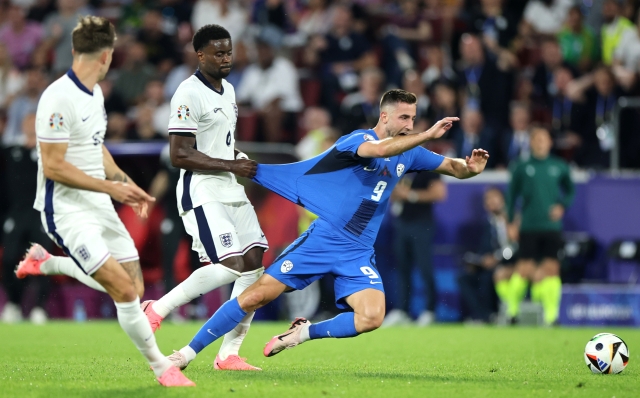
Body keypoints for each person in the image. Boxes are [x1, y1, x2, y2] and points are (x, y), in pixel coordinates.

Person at [163, 89, 489, 370]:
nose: (410, 125)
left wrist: (470, 169)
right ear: (385, 117)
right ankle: (186, 354)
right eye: (404, 118)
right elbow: (378, 151)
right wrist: (428, 135)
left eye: (414, 119)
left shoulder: (411, 152)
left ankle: (302, 333)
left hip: (358, 251)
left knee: (372, 317)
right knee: (256, 296)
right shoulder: (359, 140)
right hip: (322, 241)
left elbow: (453, 168)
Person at [14, 16, 194, 387]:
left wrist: (124, 181)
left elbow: (96, 148)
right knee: (126, 294)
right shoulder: (57, 97)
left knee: (135, 287)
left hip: (98, 201)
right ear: (107, 56)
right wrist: (110, 189)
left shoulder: (95, 93)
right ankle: (163, 368)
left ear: (77, 49)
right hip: (65, 210)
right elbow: (52, 166)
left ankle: (48, 264)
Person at [140, 24, 269, 371]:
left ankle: (228, 354)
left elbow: (220, 143)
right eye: (219, 53)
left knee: (254, 266)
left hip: (230, 185)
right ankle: (159, 308)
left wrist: (236, 157)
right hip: (202, 188)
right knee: (229, 265)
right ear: (200, 55)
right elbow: (179, 154)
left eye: (229, 52)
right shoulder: (187, 93)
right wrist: (229, 163)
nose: (226, 59)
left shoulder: (228, 91)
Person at [505, 127, 575, 326]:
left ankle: (551, 316)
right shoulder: (521, 166)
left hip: (551, 226)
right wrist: (510, 222)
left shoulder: (559, 166)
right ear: (531, 142)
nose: (540, 142)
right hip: (529, 225)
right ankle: (512, 312)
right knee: (524, 268)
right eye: (536, 139)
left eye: (543, 139)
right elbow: (511, 196)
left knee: (552, 268)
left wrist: (562, 206)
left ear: (550, 143)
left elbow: (570, 191)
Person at [382, 151, 447, 327]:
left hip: (422, 224)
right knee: (403, 269)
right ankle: (403, 311)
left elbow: (440, 193)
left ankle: (430, 311)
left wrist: (411, 195)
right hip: (401, 224)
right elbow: (393, 193)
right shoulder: (398, 167)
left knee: (425, 268)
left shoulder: (428, 166)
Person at [1, 113, 52, 324]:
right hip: (16, 214)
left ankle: (39, 308)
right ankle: (13, 304)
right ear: (22, 124)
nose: (31, 125)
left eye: (34, 122)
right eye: (27, 121)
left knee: (42, 261)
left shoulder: (48, 152)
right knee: (9, 258)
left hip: (41, 214)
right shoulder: (10, 151)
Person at [458, 187, 516, 324]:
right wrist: (478, 261)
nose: (491, 202)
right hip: (490, 264)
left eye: (494, 198)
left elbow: (515, 246)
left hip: (511, 262)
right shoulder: (488, 223)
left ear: (503, 200)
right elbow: (485, 249)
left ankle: (493, 315)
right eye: (487, 200)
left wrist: (498, 257)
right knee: (464, 278)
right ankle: (485, 316)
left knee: (488, 277)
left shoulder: (513, 219)